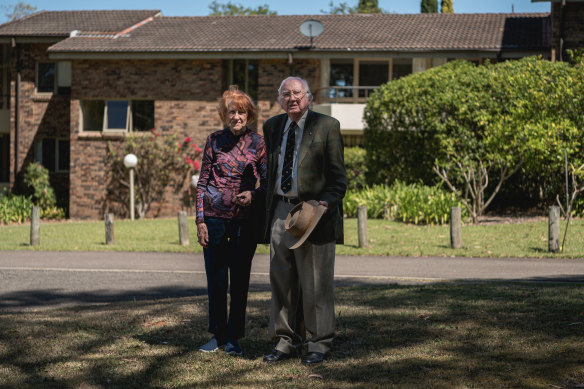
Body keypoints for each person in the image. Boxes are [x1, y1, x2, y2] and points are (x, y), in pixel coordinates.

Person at [261, 76, 347, 365]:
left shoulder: (327, 126)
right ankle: (285, 340)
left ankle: (318, 342)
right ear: (279, 100)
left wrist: (325, 203)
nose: (292, 98)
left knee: (315, 281)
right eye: (286, 94)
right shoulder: (272, 127)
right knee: (281, 279)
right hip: (280, 210)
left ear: (309, 97)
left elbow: (338, 179)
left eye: (297, 93)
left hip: (313, 211)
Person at [195, 85, 267, 356]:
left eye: (242, 112)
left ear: (249, 115)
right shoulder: (213, 140)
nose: (236, 116)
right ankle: (217, 335)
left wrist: (254, 194)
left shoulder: (258, 143)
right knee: (215, 281)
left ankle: (234, 338)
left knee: (239, 280)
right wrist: (200, 220)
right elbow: (202, 182)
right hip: (213, 219)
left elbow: (267, 181)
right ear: (224, 115)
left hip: (243, 222)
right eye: (231, 112)